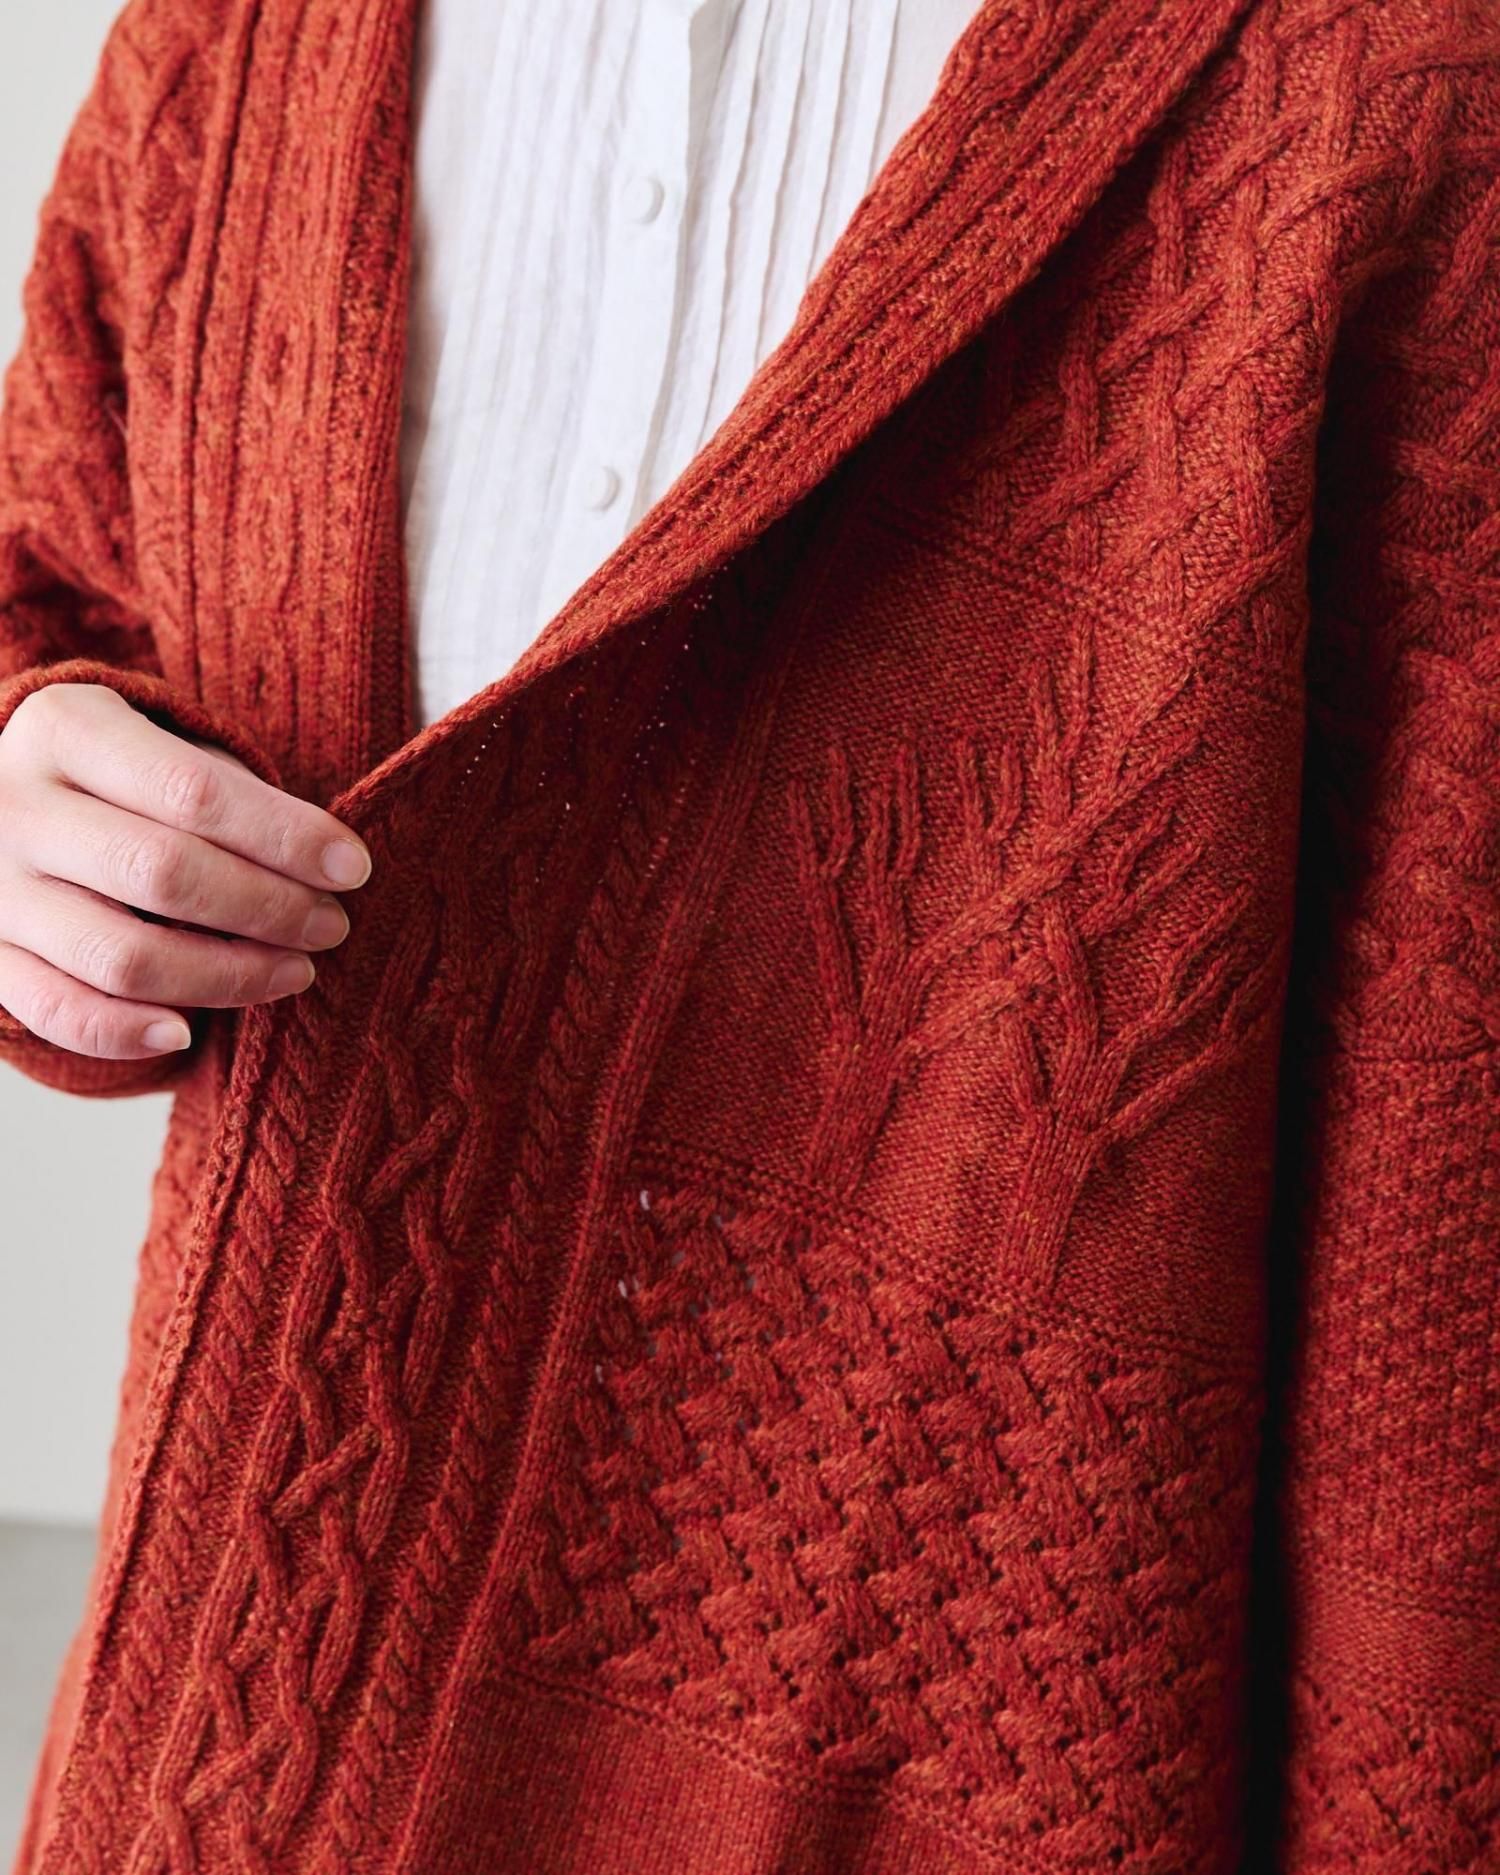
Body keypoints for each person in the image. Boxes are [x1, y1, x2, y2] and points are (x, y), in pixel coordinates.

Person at [1, 1, 1497, 1871]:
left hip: (952, 1762)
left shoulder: (1384, 78)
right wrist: (43, 809)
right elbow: (55, 581)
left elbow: (1444, 1189)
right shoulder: (238, 42)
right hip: (242, 1730)